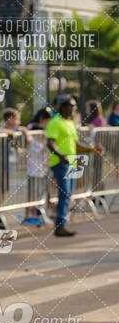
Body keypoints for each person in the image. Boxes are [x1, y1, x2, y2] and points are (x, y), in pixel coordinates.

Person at [46, 95, 103, 237]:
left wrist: (91, 150)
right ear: (62, 107)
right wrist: (61, 156)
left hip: (71, 162)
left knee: (68, 194)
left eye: (74, 106)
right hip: (60, 163)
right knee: (64, 193)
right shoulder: (55, 122)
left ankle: (62, 224)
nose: (74, 108)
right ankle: (60, 226)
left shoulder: (70, 123)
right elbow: (50, 143)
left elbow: (76, 145)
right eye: (71, 105)